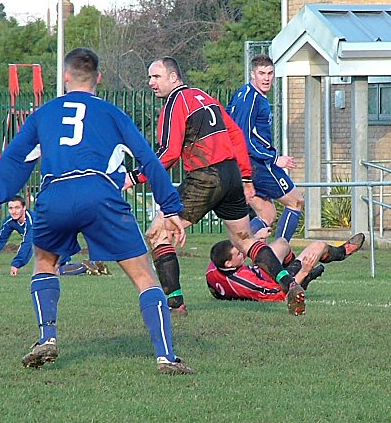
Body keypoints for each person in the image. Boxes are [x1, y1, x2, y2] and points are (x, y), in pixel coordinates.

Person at [0, 47, 193, 375]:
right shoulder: (112, 114)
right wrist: (171, 207)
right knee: (143, 275)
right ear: (98, 79)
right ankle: (166, 357)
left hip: (54, 195)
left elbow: (13, 160)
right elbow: (148, 159)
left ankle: (47, 336)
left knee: (45, 263)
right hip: (100, 193)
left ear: (65, 76)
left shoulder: (44, 114)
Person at [123, 56, 305, 316]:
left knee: (157, 233)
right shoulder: (203, 96)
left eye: (156, 76)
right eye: (150, 77)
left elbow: (169, 153)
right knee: (245, 240)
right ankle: (289, 285)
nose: (151, 82)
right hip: (230, 174)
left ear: (173, 77)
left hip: (205, 176)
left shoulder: (175, 103)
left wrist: (134, 176)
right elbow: (236, 135)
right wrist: (244, 178)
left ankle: (175, 305)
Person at [226, 54, 304, 241]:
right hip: (257, 164)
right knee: (295, 201)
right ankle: (281, 253)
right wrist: (274, 158)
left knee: (267, 214)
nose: (266, 78)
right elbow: (244, 138)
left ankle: (244, 252)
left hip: (245, 164)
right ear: (253, 74)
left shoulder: (242, 93)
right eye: (261, 73)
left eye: (270, 73)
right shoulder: (252, 100)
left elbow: (227, 119)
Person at [207, 233, 365, 309]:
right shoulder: (246, 283)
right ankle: (343, 252)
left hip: (262, 272)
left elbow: (214, 289)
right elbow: (279, 295)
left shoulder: (213, 268)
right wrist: (303, 272)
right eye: (238, 254)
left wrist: (255, 239)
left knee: (282, 243)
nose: (242, 253)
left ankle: (297, 271)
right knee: (319, 246)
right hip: (278, 281)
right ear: (228, 264)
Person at [0, 195, 107, 277]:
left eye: (17, 207)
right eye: (11, 208)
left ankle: (86, 266)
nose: (14, 211)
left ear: (24, 208)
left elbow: (28, 242)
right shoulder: (10, 221)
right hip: (50, 242)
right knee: (57, 268)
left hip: (58, 238)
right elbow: (0, 238)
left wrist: (16, 264)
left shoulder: (31, 220)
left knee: (55, 271)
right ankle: (96, 266)